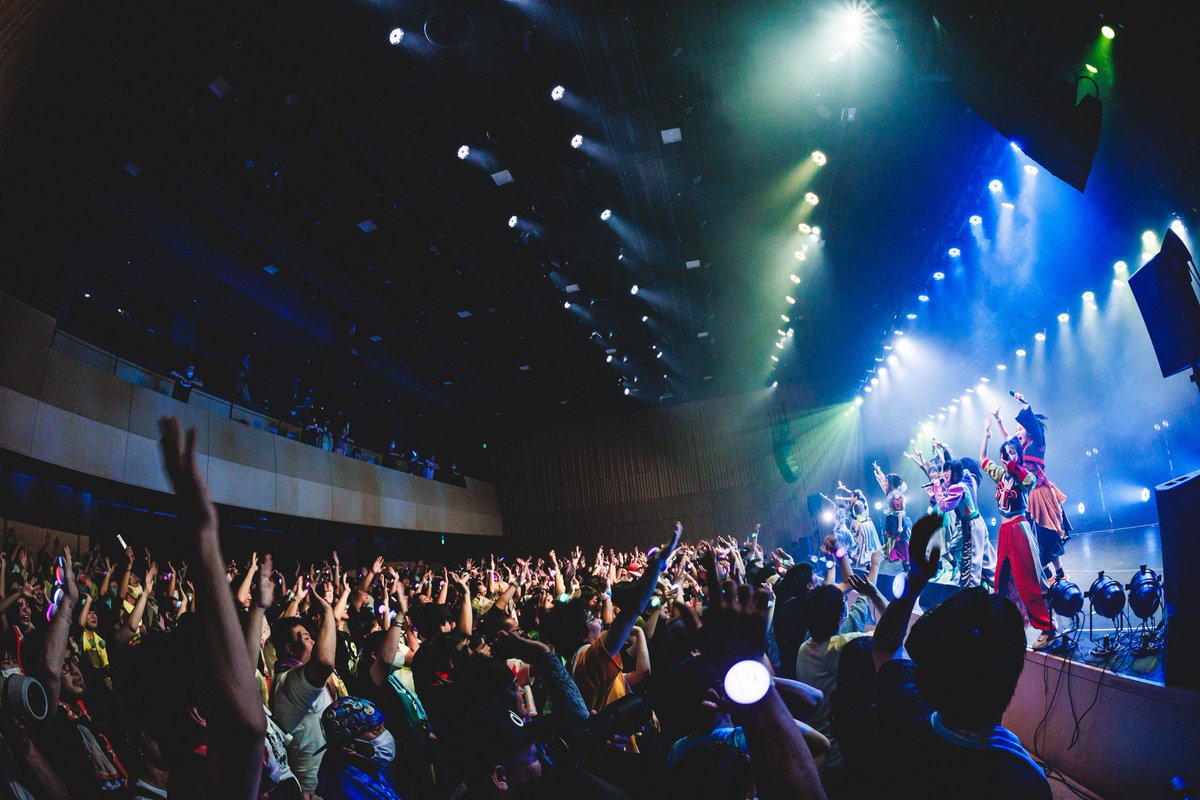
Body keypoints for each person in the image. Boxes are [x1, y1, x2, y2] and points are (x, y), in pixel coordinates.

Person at [872, 515, 1052, 799]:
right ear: (1013, 673)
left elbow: (883, 646)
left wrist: (916, 580)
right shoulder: (1026, 784)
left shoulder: (906, 713)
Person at [794, 549, 886, 768]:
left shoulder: (804, 647)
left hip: (816, 746)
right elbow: (891, 630)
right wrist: (875, 569)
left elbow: (858, 607)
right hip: (841, 753)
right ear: (841, 615)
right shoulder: (843, 646)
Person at [980, 419, 1057, 651]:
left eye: (1013, 452)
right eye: (1005, 452)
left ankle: (1047, 628)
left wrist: (1013, 464)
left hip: (1020, 529)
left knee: (1027, 582)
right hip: (1004, 532)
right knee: (999, 583)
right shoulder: (1001, 476)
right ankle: (1003, 627)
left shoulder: (1024, 477)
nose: (1008, 455)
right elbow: (982, 459)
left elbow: (1029, 481)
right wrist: (985, 434)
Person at [994, 396, 1069, 582]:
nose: (1017, 432)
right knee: (1035, 539)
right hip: (1027, 496)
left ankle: (1059, 574)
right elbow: (1008, 441)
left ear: (1030, 431)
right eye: (1017, 429)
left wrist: (1024, 405)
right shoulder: (1021, 448)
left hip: (1041, 494)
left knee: (1048, 533)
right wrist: (999, 421)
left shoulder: (1038, 444)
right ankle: (1050, 575)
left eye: (1020, 429)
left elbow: (1034, 428)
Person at [270, 591, 340, 792]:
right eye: (307, 638)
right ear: (290, 649)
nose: (313, 643)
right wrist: (327, 611)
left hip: (322, 777)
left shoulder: (287, 677)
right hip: (316, 785)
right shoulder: (291, 681)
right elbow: (325, 661)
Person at [315, 696, 403, 800]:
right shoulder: (341, 788)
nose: (385, 734)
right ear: (349, 745)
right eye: (376, 729)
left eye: (383, 726)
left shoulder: (374, 767)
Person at [873, 463, 911, 567]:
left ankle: (906, 564)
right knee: (894, 543)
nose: (884, 482)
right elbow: (883, 481)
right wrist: (878, 470)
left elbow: (899, 512)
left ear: (891, 483)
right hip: (892, 520)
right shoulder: (891, 492)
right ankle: (905, 564)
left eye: (886, 481)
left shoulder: (896, 494)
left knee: (901, 543)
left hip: (898, 521)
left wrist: (899, 527)